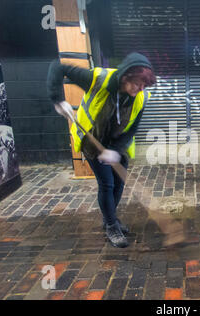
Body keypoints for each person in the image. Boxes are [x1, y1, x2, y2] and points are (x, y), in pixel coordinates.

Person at [47, 52, 156, 247]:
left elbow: (132, 129)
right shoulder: (97, 79)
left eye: (144, 86)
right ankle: (111, 225)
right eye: (137, 83)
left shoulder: (141, 97)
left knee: (119, 183)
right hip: (92, 142)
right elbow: (58, 67)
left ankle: (109, 219)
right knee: (107, 184)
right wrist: (57, 99)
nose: (140, 89)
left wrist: (115, 149)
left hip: (117, 145)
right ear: (126, 76)